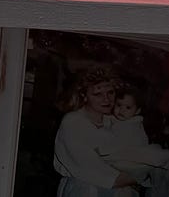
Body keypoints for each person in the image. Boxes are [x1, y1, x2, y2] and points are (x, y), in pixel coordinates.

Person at [53, 68, 143, 196]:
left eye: (110, 92)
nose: (106, 99)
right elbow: (94, 171)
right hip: (84, 191)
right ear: (84, 95)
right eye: (98, 94)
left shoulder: (114, 122)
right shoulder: (73, 122)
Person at [101, 85, 169, 197]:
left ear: (137, 110)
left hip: (130, 162)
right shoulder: (111, 120)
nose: (121, 110)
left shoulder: (135, 125)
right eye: (119, 105)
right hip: (115, 166)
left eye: (128, 107)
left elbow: (136, 147)